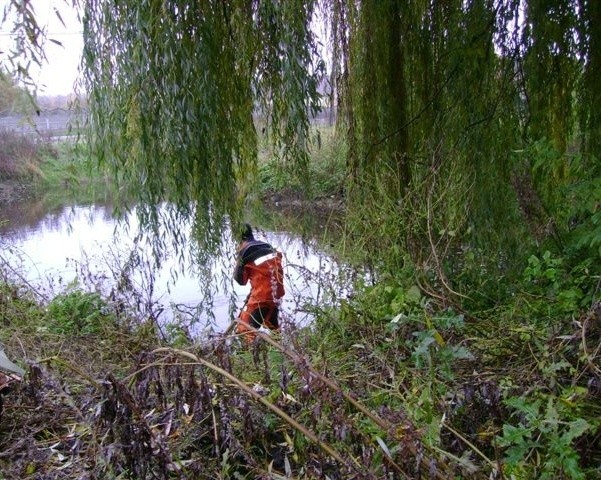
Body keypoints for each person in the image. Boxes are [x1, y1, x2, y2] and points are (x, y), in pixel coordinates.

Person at [233, 224, 285, 344]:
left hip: (261, 297)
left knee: (245, 330)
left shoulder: (244, 251)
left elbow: (240, 281)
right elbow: (268, 271)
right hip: (276, 294)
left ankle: (249, 359)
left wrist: (238, 260)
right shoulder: (267, 246)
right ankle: (281, 354)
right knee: (274, 328)